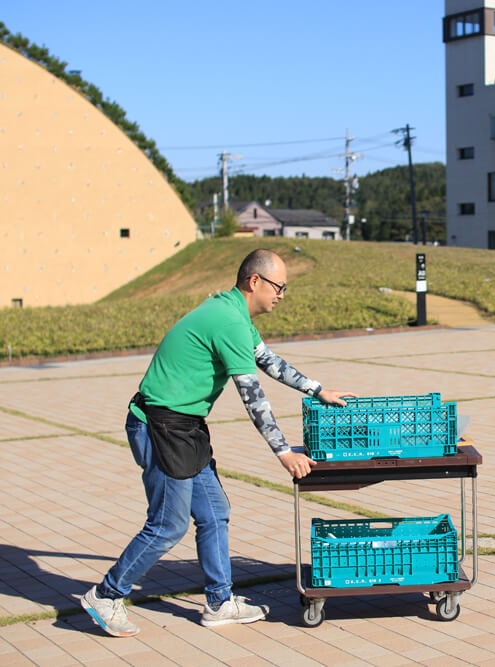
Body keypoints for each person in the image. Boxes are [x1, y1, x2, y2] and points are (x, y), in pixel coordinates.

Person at [80, 248, 355, 637]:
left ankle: (219, 602)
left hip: (185, 426)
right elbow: (253, 397)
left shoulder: (234, 315)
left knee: (214, 512)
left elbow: (267, 360)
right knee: (166, 525)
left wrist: (317, 389)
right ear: (254, 281)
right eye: (279, 287)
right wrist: (284, 452)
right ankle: (105, 596)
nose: (282, 295)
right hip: (159, 425)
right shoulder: (227, 319)